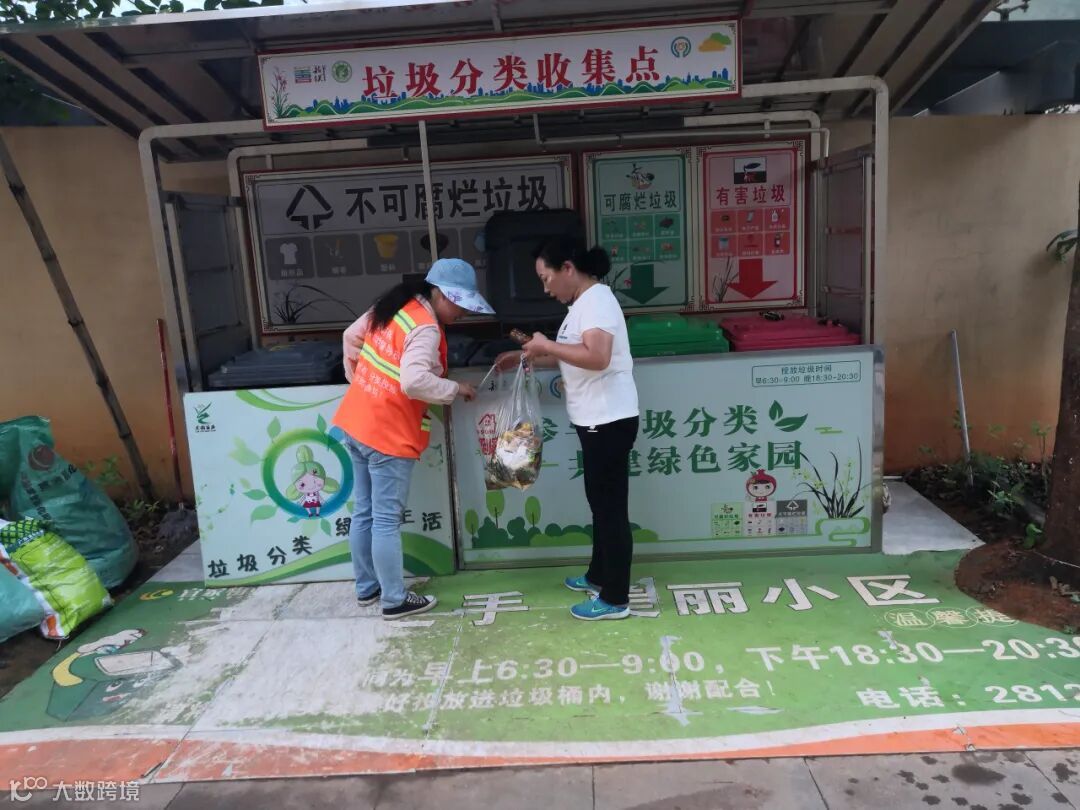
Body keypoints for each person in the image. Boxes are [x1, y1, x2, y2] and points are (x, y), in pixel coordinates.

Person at [334, 258, 492, 620]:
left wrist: (362, 386)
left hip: (356, 421)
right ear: (439, 294)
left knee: (365, 511)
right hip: (387, 433)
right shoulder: (426, 328)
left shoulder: (395, 307)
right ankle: (394, 600)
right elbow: (414, 381)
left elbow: (350, 337)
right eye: (459, 304)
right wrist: (456, 388)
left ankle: (367, 588)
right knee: (386, 520)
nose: (462, 313)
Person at [498, 238, 640, 621]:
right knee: (599, 502)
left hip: (608, 420)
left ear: (568, 269)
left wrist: (546, 346)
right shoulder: (583, 305)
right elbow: (575, 357)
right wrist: (527, 355)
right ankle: (599, 575)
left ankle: (615, 597)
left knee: (610, 508)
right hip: (594, 420)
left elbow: (597, 357)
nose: (546, 289)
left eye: (546, 278)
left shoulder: (597, 302)